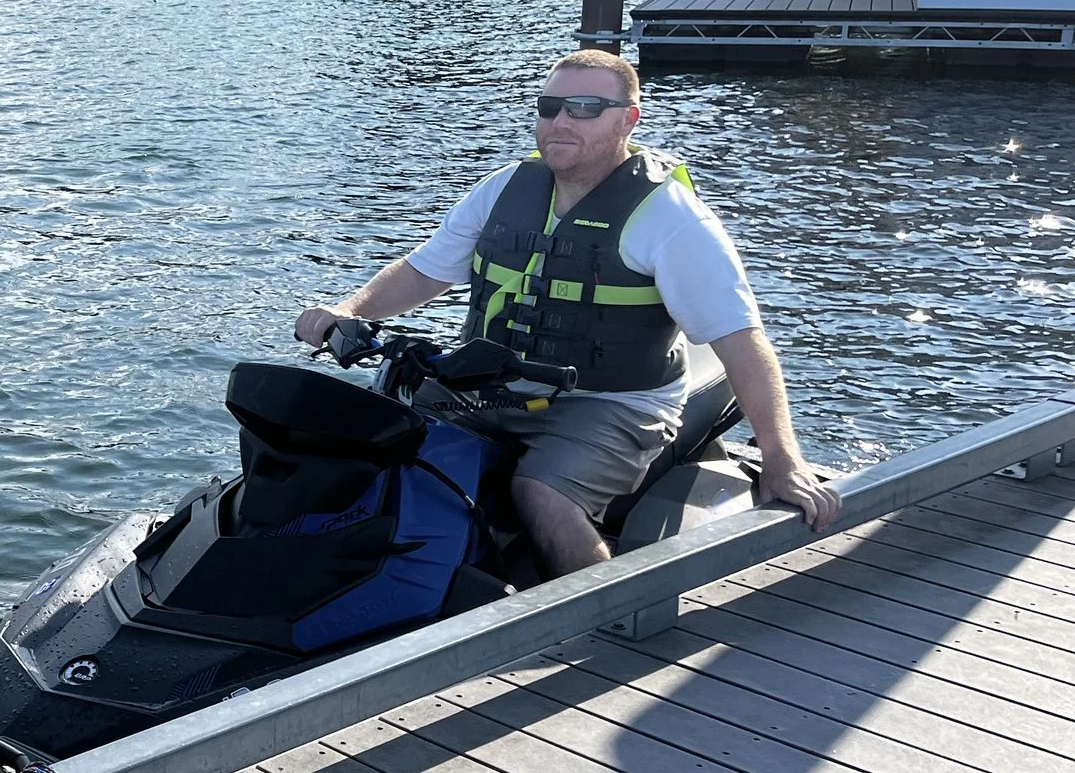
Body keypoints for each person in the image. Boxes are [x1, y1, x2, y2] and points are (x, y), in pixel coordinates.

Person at [293, 50, 841, 576]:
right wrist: (349, 310)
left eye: (584, 108)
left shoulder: (672, 219)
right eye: (549, 107)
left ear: (628, 119)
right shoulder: (505, 187)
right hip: (490, 383)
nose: (561, 121)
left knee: (542, 494)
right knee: (373, 444)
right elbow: (425, 271)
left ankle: (600, 620)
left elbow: (740, 339)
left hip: (611, 402)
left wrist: (782, 457)